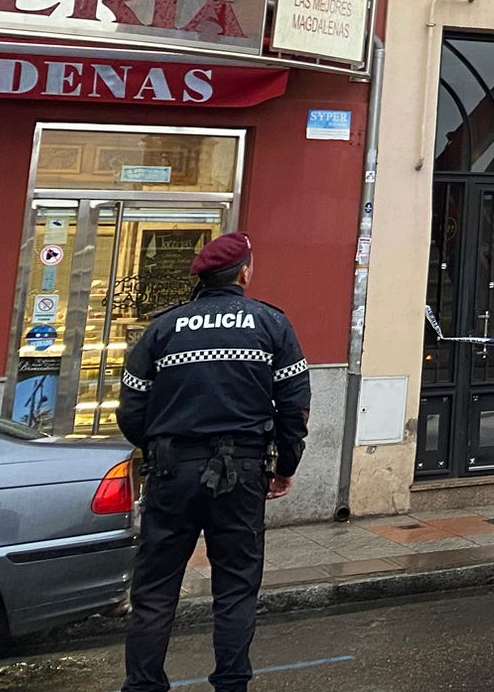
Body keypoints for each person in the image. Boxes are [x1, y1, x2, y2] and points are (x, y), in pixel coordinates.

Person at [116, 233, 310, 692]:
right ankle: (231, 684)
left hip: (170, 473)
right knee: (236, 588)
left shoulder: (163, 328)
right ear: (244, 273)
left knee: (155, 592)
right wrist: (285, 466)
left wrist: (162, 450)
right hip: (241, 473)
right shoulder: (270, 325)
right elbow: (294, 405)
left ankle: (143, 686)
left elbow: (130, 408)